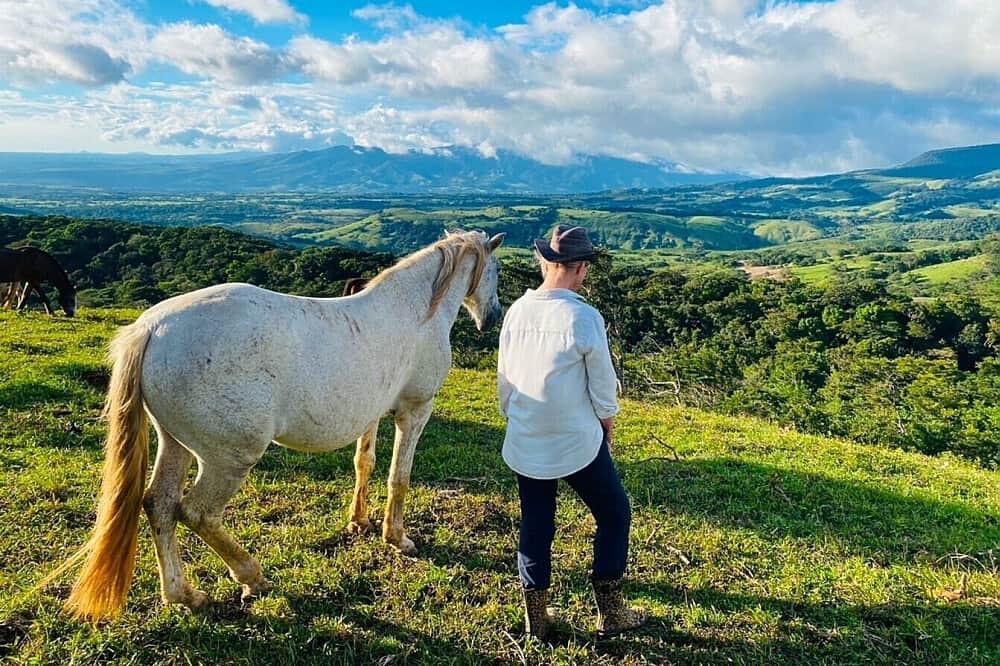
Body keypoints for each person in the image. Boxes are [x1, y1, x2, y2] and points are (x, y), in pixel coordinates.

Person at [497, 224, 646, 640]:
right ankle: (611, 613)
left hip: (526, 437)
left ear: (546, 263)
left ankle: (537, 619)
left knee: (536, 524)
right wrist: (607, 426)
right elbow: (603, 387)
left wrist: (520, 420)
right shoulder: (583, 316)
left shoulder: (517, 310)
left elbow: (505, 381)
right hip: (576, 440)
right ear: (580, 268)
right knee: (614, 514)